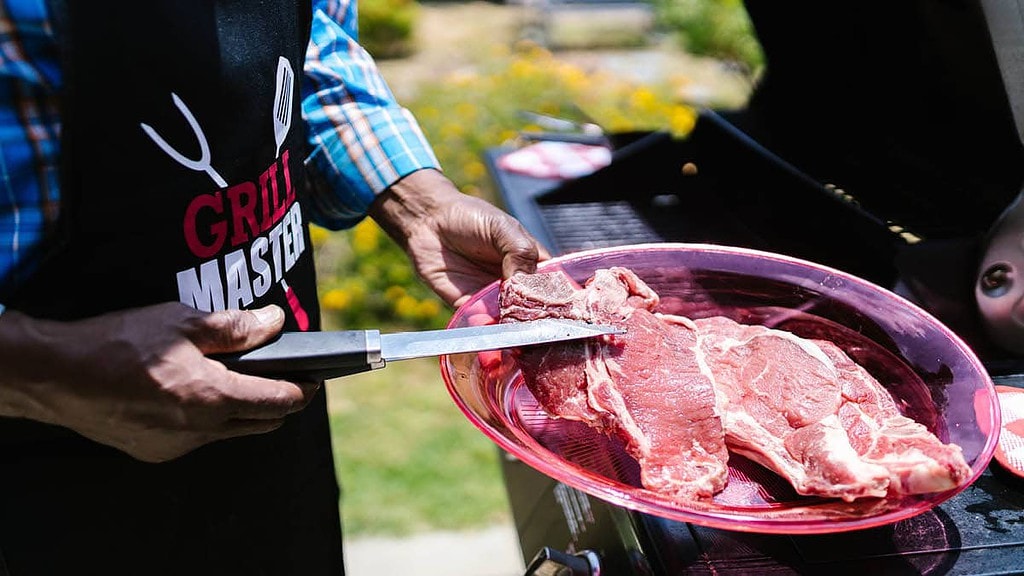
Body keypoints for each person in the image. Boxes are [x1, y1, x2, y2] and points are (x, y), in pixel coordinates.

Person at [0, 1, 544, 574]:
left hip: (281, 477)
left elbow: (313, 56)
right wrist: (49, 372)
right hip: (55, 504)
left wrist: (419, 203)